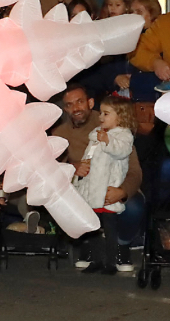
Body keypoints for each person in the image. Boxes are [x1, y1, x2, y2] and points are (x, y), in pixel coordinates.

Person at [52, 84, 144, 272]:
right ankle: (88, 248)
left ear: (90, 102)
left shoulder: (114, 123)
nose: (76, 108)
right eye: (69, 105)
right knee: (73, 205)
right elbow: (51, 169)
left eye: (80, 102)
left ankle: (122, 247)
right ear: (65, 109)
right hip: (84, 187)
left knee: (133, 207)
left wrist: (122, 191)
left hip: (115, 184)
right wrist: (72, 168)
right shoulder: (60, 134)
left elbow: (135, 170)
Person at [73, 98, 137, 275]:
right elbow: (89, 154)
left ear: (120, 116)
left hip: (108, 190)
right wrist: (84, 167)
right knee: (93, 228)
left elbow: (122, 151)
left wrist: (108, 141)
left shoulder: (124, 135)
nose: (101, 117)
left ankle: (111, 262)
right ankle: (96, 260)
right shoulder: (96, 134)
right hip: (92, 189)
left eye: (106, 114)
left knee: (110, 229)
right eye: (101, 113)